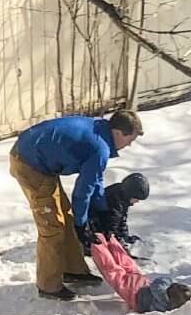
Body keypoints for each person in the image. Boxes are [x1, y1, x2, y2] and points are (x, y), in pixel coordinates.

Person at [10, 109, 144, 300]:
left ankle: (72, 270)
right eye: (129, 140)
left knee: (66, 215)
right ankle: (49, 286)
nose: (129, 145)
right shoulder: (100, 147)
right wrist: (81, 225)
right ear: (117, 132)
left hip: (41, 160)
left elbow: (95, 180)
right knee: (52, 226)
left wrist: (101, 210)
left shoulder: (100, 134)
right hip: (29, 162)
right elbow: (82, 191)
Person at [89, 234, 191, 313]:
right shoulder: (165, 306)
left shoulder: (160, 292)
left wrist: (170, 282)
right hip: (138, 292)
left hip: (134, 291)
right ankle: (107, 239)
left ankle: (102, 240)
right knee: (122, 267)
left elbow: (158, 282)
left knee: (115, 269)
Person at [85, 173, 150, 256]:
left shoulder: (122, 197)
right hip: (93, 228)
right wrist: (118, 241)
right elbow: (111, 225)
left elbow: (121, 219)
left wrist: (125, 236)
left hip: (102, 225)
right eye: (136, 198)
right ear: (129, 194)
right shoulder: (114, 202)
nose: (137, 202)